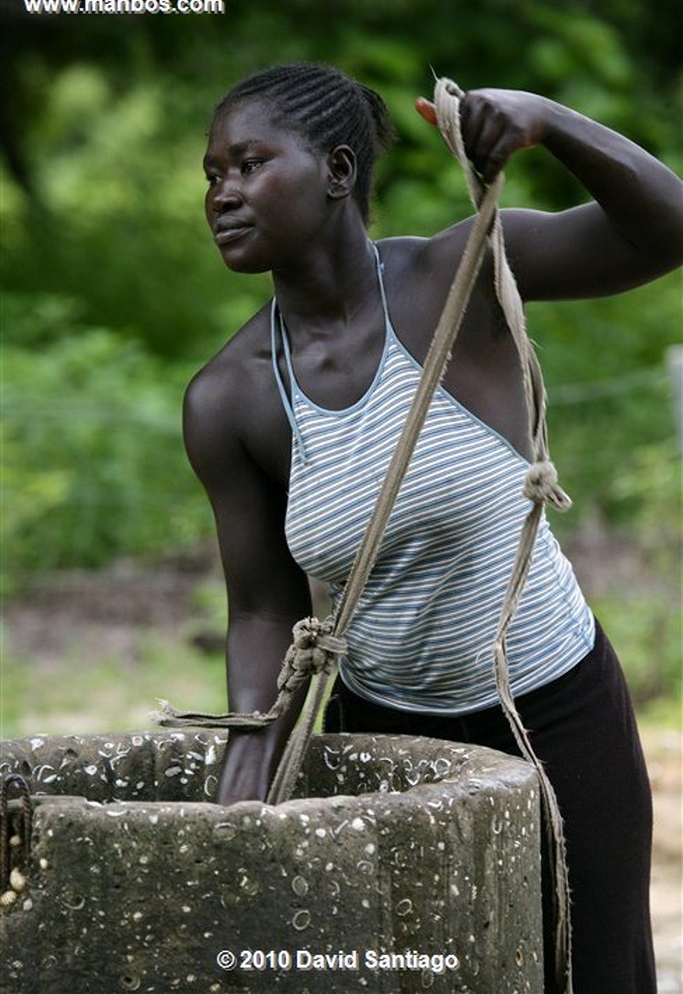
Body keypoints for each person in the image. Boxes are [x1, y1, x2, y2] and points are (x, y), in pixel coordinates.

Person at [185, 62, 683, 993]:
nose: (222, 194)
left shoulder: (457, 277)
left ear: (337, 170)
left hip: (556, 709)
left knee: (590, 973)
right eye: (211, 174)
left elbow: (665, 231)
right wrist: (242, 800)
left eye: (248, 165)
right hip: (387, 735)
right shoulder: (233, 398)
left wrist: (550, 118)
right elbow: (260, 612)